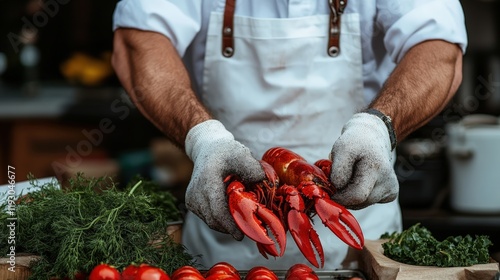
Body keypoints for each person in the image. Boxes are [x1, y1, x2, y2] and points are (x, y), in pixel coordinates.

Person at [111, 0, 467, 270]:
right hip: (221, 248)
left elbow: (439, 49)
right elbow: (137, 41)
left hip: (361, 246)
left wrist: (377, 127)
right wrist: (202, 138)